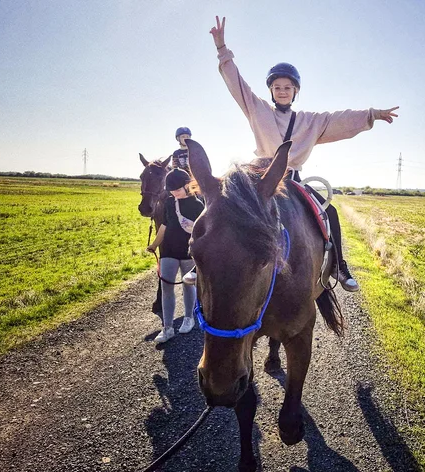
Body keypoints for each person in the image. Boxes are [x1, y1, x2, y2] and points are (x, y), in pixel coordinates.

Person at [208, 16, 398, 292]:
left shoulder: (311, 121)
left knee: (329, 211)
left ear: (295, 91)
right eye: (277, 87)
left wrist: (372, 114)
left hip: (293, 181)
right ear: (271, 91)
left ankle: (339, 267)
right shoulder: (257, 109)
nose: (282, 91)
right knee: (225, 206)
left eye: (287, 87)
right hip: (260, 178)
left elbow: (339, 119)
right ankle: (202, 262)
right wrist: (222, 49)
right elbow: (237, 83)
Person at [146, 169, 204, 343]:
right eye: (171, 191)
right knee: (166, 288)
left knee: (188, 286)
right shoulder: (170, 203)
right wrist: (154, 245)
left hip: (187, 251)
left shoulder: (198, 205)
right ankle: (168, 328)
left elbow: (202, 231)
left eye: (177, 190)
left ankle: (188, 318)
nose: (174, 193)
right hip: (168, 250)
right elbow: (164, 225)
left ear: (188, 185)